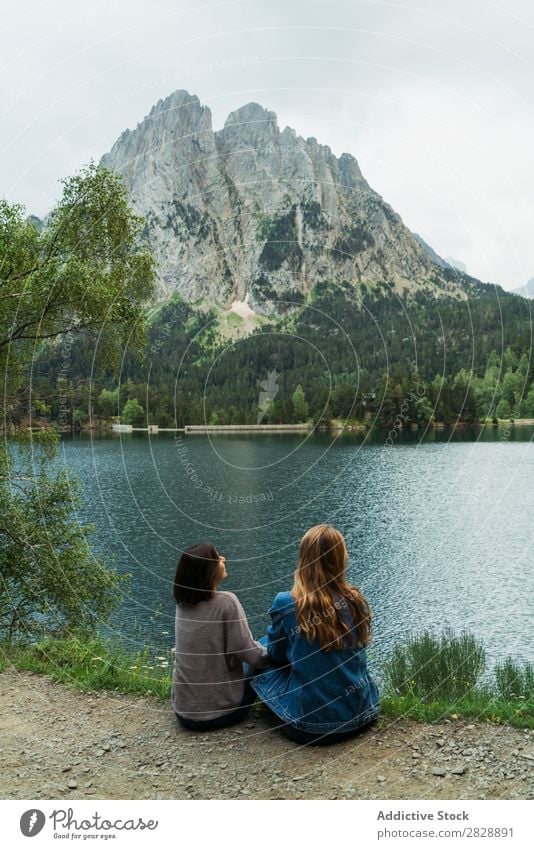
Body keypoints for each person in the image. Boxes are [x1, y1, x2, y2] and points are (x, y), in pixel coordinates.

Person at [251, 524, 380, 745]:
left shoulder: (287, 603)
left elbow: (276, 656)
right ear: (340, 559)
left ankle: (226, 707)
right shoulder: (354, 600)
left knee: (255, 659)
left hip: (311, 728)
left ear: (304, 559)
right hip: (362, 716)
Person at [172, 542, 267, 730]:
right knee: (269, 647)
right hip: (222, 713)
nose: (223, 559)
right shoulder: (226, 602)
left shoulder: (182, 603)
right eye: (217, 558)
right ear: (207, 571)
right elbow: (253, 656)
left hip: (183, 712)